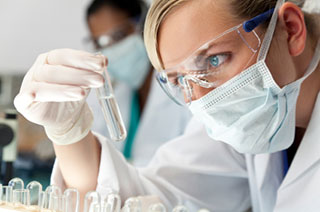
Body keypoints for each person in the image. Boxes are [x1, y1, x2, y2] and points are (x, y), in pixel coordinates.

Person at [13, 0, 320, 211]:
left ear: (291, 30)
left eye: (214, 59)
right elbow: (152, 200)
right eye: (178, 80)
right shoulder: (249, 115)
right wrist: (69, 134)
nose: (200, 98)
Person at [84, 0, 191, 165]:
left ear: (143, 25)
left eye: (118, 36)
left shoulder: (183, 85)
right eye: (100, 43)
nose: (112, 50)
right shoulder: (114, 93)